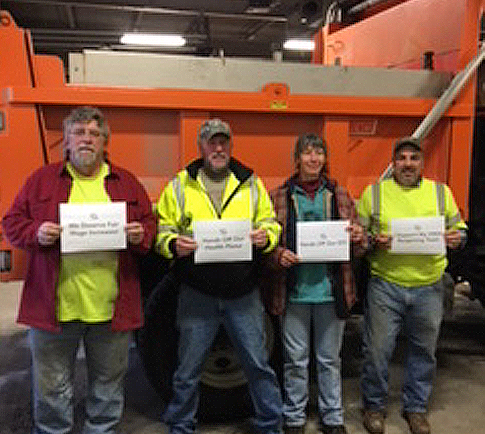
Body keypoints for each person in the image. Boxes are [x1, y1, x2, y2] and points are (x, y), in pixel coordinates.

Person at [2, 106, 157, 434]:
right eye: (79, 132)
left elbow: (149, 225)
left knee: (108, 391)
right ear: (67, 141)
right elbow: (12, 223)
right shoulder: (42, 179)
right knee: (52, 393)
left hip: (111, 309)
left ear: (104, 142)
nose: (87, 139)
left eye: (94, 134)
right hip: (55, 309)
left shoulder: (126, 182)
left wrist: (141, 234)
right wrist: (36, 233)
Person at [156, 118, 283, 434]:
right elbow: (163, 230)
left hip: (243, 294)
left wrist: (266, 238)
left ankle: (271, 425)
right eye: (211, 142)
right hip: (197, 293)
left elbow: (270, 223)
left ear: (230, 145)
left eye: (223, 142)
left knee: (258, 365)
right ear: (201, 146)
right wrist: (172, 244)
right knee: (188, 369)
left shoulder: (250, 183)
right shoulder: (179, 185)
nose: (218, 148)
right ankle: (181, 425)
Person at [358, 137, 467, 434]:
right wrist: (372, 242)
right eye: (402, 158)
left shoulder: (441, 193)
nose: (408, 164)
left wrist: (458, 238)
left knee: (424, 351)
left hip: (429, 286)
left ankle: (416, 408)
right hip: (386, 285)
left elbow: (459, 229)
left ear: (422, 163)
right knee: (377, 352)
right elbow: (358, 238)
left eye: (414, 158)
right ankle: (374, 407)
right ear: (393, 163)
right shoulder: (374, 194)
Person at [264, 134, 364, 434]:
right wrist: (277, 255)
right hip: (293, 292)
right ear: (297, 159)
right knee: (295, 361)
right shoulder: (277, 197)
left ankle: (332, 417)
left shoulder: (340, 195)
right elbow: (265, 245)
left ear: (325, 159)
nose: (313, 158)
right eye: (307, 153)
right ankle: (294, 417)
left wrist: (359, 237)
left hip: (331, 292)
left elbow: (361, 246)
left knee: (329, 360)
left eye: (319, 153)